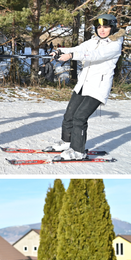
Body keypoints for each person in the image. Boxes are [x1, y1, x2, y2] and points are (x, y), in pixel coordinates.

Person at [45, 14, 124, 160]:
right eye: (99, 27)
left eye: (106, 27)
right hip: (83, 84)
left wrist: (71, 55)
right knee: (69, 115)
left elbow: (94, 55)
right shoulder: (94, 41)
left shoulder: (114, 45)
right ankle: (66, 142)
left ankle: (78, 151)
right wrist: (60, 51)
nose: (102, 30)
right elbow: (78, 48)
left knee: (79, 117)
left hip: (98, 87)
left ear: (112, 27)